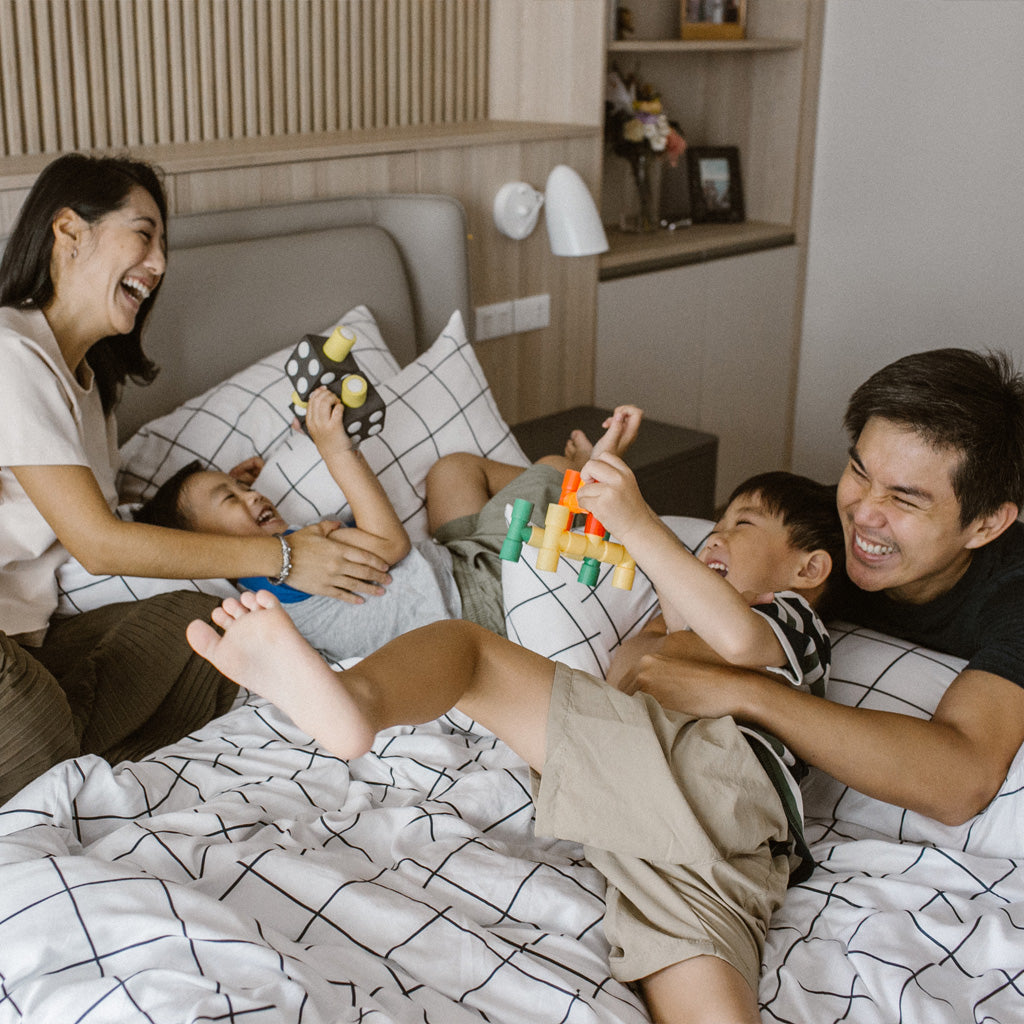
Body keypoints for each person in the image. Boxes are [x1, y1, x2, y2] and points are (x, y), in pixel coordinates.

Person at [185, 465, 844, 1024]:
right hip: (687, 845)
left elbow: (735, 637)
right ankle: (344, 698)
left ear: (808, 567)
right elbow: (634, 670)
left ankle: (355, 700)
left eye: (741, 524)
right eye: (717, 524)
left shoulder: (788, 617)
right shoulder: (669, 635)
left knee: (471, 653)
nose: (714, 536)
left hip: (710, 778)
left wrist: (642, 525)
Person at [0, 153, 377, 797]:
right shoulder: (12, 353)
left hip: (31, 637)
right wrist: (284, 556)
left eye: (163, 246)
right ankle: (54, 748)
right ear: (68, 231)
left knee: (204, 627)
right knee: (43, 736)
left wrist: (214, 491)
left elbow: (95, 519)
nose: (160, 264)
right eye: (144, 235)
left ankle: (62, 748)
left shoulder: (92, 387)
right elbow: (98, 544)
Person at [615, 347, 1024, 832]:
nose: (863, 514)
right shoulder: (819, 535)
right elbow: (685, 623)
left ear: (985, 524)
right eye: (859, 473)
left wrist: (748, 695)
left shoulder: (1013, 595)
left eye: (903, 499)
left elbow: (960, 781)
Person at [136, 397, 644, 661]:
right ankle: (586, 475)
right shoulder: (281, 571)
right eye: (229, 498)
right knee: (552, 464)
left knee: (452, 470)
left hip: (450, 564)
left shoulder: (278, 570)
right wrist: (334, 448)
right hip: (479, 600)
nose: (252, 495)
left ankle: (571, 477)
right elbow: (390, 543)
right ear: (203, 545)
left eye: (243, 486)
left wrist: (235, 488)